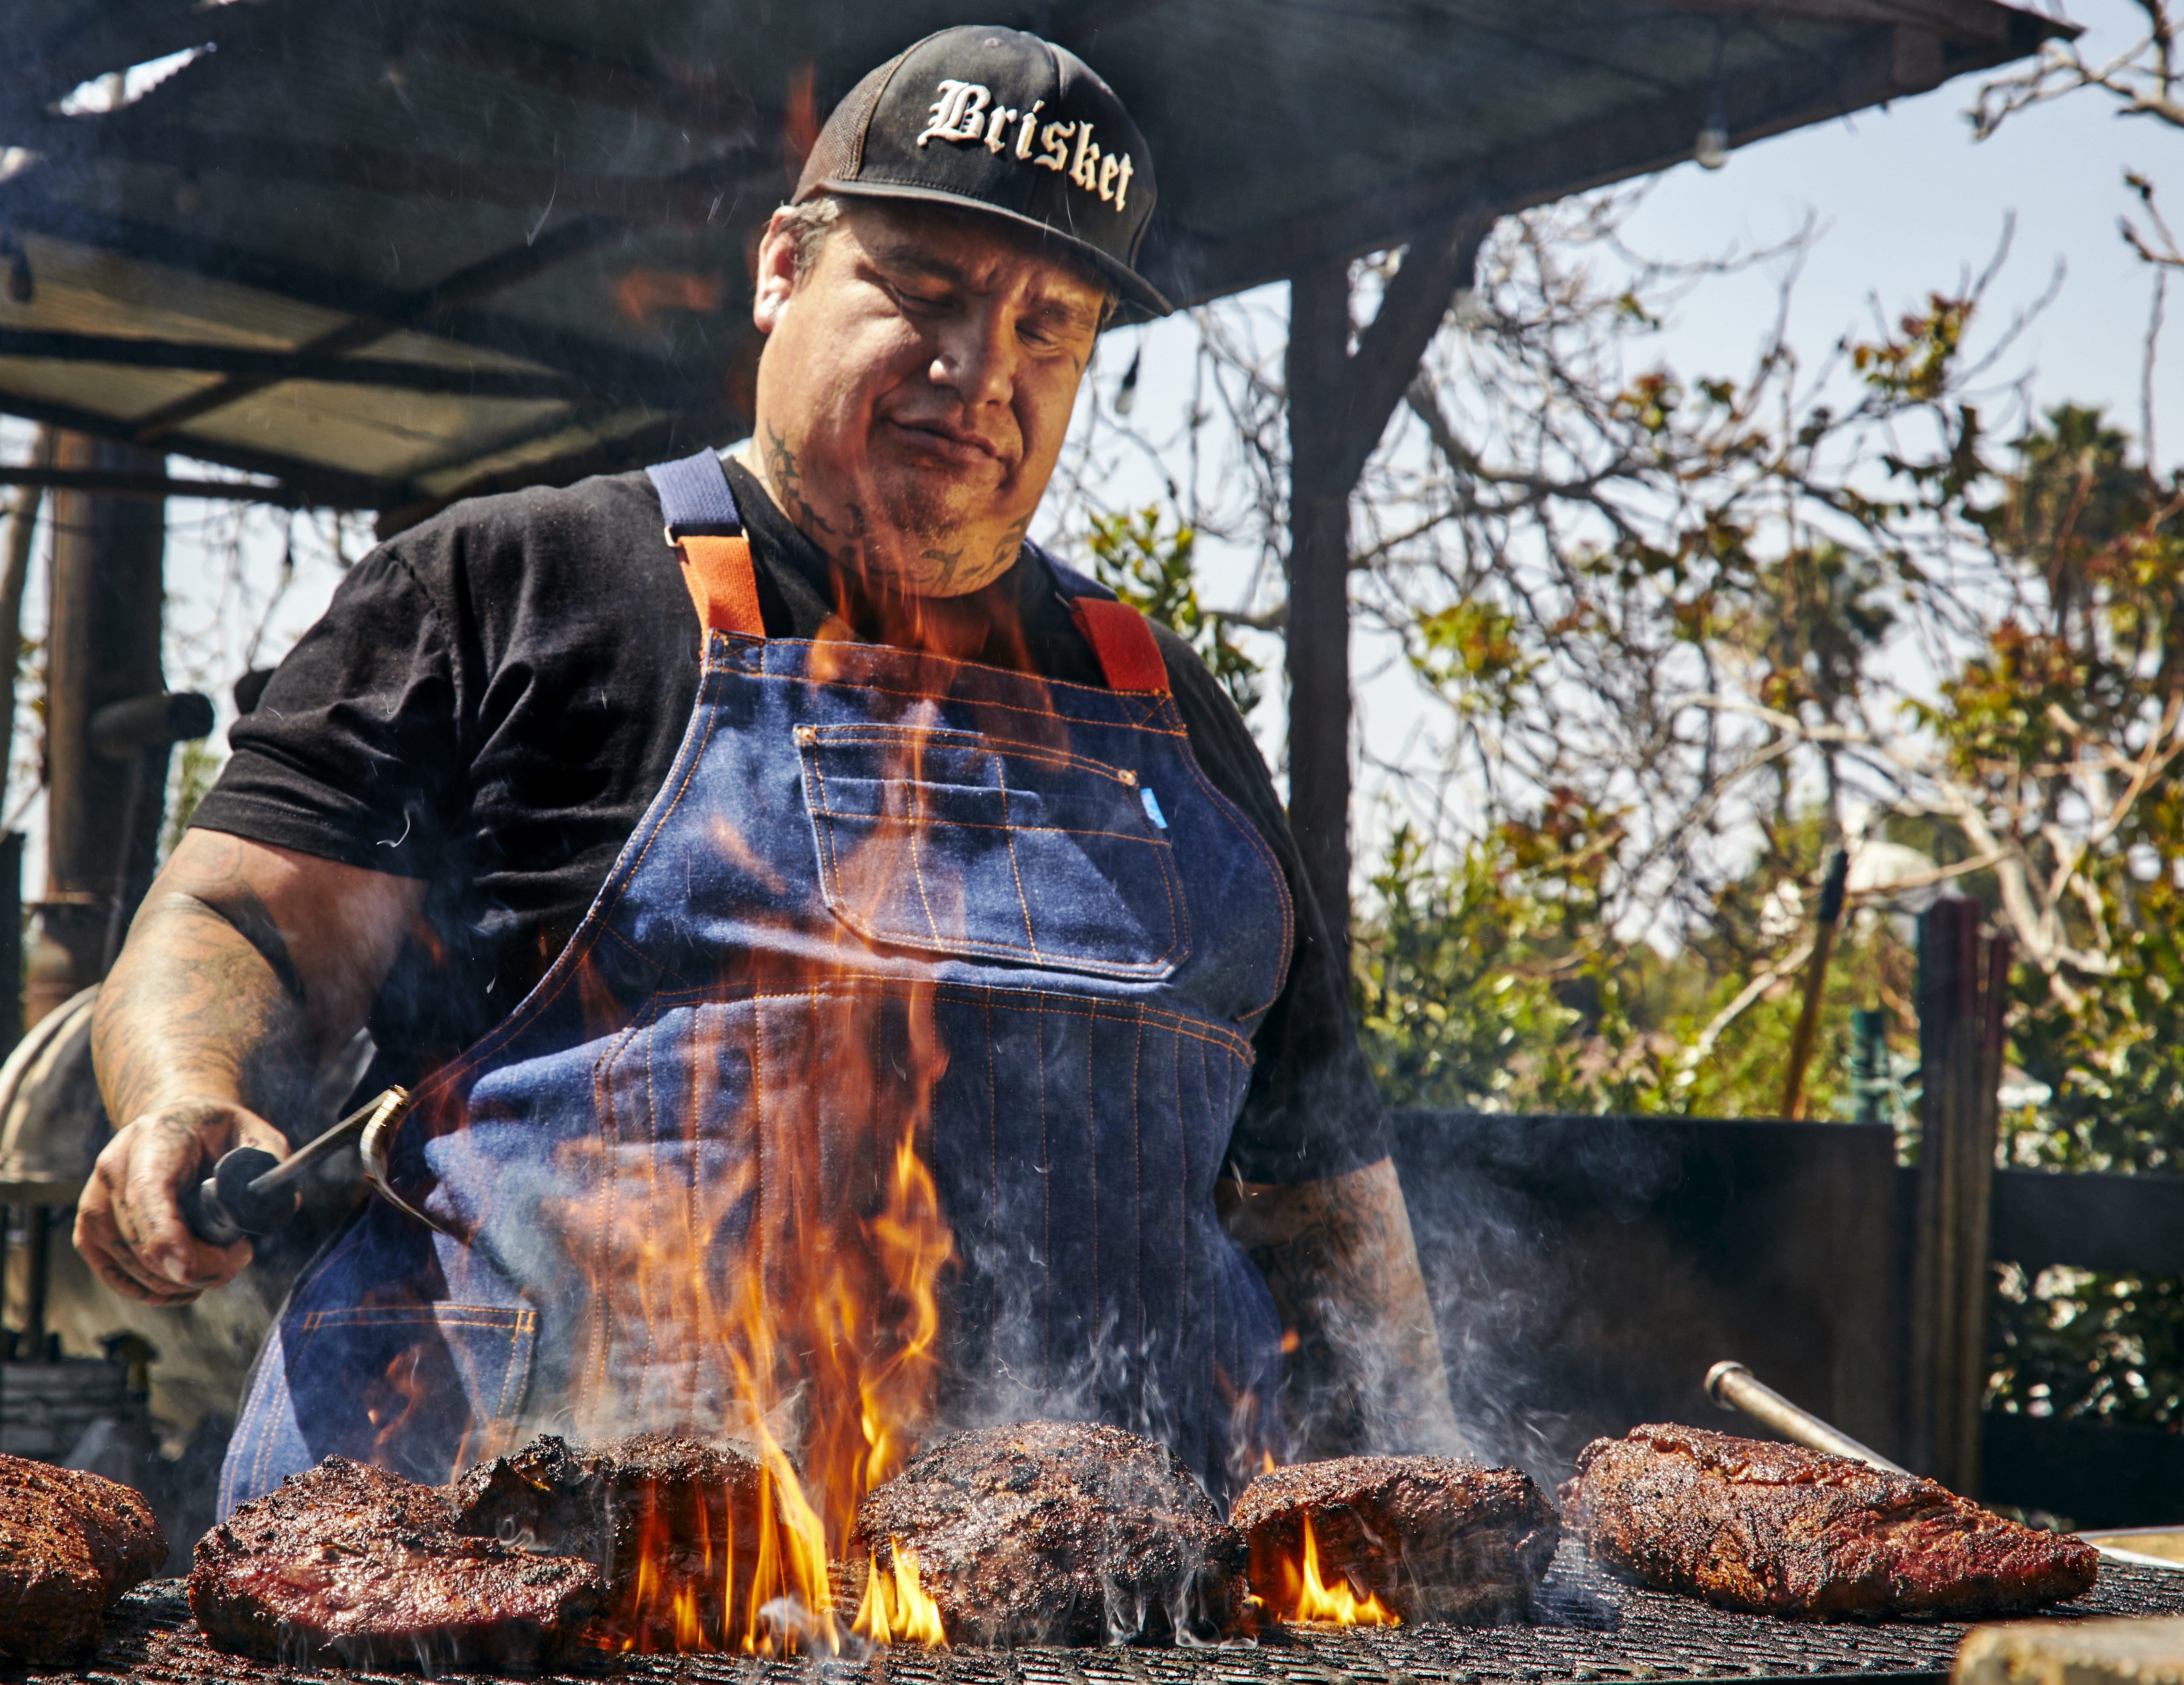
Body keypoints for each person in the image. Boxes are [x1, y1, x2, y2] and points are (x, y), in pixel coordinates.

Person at [75, 24, 1465, 1513]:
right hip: (510, 1579)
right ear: (782, 271)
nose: (977, 369)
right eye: (922, 290)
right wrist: (184, 1091)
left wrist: (1428, 1495)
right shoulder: (514, 588)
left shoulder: (1161, 704)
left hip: (1066, 1618)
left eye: (1048, 327)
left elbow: (1327, 1194)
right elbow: (246, 922)